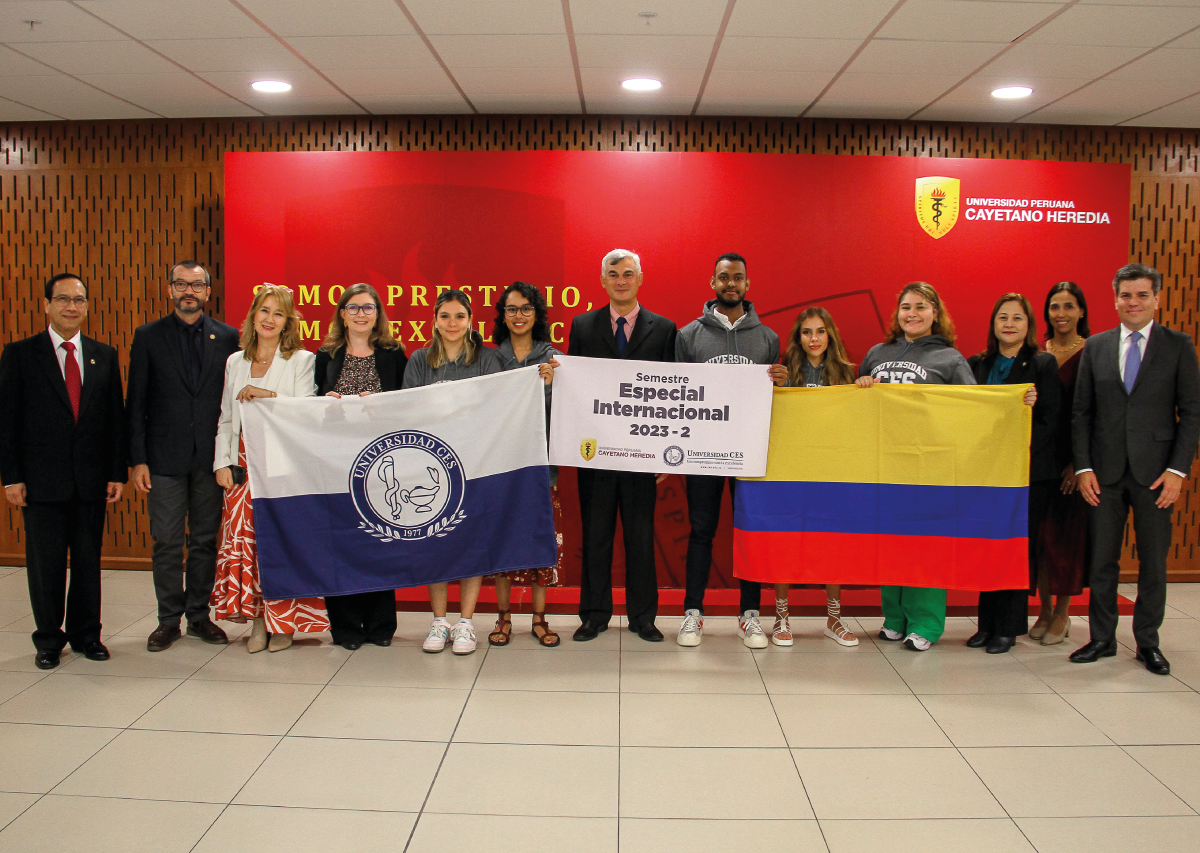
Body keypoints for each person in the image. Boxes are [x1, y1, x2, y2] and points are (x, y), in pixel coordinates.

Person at [1070, 263, 1200, 675]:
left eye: (1142, 295)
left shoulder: (1178, 345)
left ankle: (1148, 643)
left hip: (1157, 475)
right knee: (1102, 561)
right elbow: (1081, 414)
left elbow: (1192, 413)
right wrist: (1084, 467)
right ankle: (1102, 638)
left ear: (1157, 299)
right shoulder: (1096, 347)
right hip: (1102, 475)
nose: (1134, 302)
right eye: (1126, 295)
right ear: (1115, 299)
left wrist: (1178, 472)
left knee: (1153, 563)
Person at [0, 273, 126, 670]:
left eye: (80, 300)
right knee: (46, 564)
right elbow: (7, 421)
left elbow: (113, 421)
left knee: (88, 562)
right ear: (46, 305)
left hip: (91, 481)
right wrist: (11, 476)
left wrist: (116, 472)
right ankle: (49, 640)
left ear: (87, 306)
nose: (72, 306)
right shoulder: (20, 354)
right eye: (64, 299)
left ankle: (88, 635)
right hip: (40, 481)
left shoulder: (103, 355)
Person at [126, 261, 240, 652]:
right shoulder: (147, 336)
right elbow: (135, 402)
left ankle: (198, 617)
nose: (187, 291)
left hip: (211, 459)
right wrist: (138, 459)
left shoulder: (228, 338)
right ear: (170, 289)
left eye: (196, 285)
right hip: (163, 458)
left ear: (209, 292)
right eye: (180, 284)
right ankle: (167, 621)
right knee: (168, 542)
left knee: (206, 540)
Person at [856, 282, 975, 651]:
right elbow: (855, 407)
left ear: (935, 313)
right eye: (906, 307)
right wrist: (860, 385)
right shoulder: (877, 353)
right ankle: (894, 618)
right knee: (891, 543)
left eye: (921, 307)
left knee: (924, 546)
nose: (912, 313)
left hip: (929, 468)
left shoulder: (951, 359)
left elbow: (972, 408)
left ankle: (925, 623)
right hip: (885, 464)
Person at [568, 249, 677, 643]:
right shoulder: (582, 326)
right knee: (595, 538)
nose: (620, 280)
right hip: (595, 454)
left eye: (628, 273)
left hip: (642, 455)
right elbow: (573, 390)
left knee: (640, 537)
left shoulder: (665, 330)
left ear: (640, 278)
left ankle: (643, 618)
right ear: (602, 280)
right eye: (613, 274)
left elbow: (671, 397)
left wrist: (666, 451)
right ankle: (594, 616)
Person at [211, 284, 327, 653]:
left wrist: (269, 395)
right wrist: (223, 462)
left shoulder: (301, 360)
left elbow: (306, 411)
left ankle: (285, 624)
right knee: (250, 546)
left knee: (282, 544)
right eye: (264, 311)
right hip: (243, 466)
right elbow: (227, 418)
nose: (269, 319)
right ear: (253, 315)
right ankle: (259, 621)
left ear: (288, 321)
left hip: (283, 467)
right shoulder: (235, 361)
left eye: (278, 313)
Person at [674, 253, 779, 648]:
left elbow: (775, 401)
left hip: (751, 452)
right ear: (712, 282)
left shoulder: (767, 338)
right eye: (723, 277)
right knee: (701, 531)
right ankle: (692, 613)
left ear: (747, 284)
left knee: (748, 530)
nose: (730, 283)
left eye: (737, 278)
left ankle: (750, 613)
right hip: (702, 451)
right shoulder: (688, 336)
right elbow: (676, 398)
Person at [403, 288, 500, 655]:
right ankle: (439, 621)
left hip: (475, 464)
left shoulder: (486, 360)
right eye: (445, 316)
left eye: (460, 316)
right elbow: (408, 410)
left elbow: (496, 408)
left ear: (470, 321)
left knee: (472, 541)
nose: (453, 323)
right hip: (431, 467)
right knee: (437, 541)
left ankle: (465, 623)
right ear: (435, 321)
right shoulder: (418, 360)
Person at [315, 284, 408, 650]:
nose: (360, 314)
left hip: (381, 462)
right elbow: (308, 404)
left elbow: (406, 404)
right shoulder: (325, 354)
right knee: (341, 541)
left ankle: (381, 624)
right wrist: (326, 403)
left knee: (380, 539)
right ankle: (346, 627)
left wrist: (381, 404)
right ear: (342, 313)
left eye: (368, 308)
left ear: (378, 313)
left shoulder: (393, 353)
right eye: (353, 308)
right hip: (335, 459)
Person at [966, 294, 1060, 654]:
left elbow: (1051, 420)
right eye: (1002, 317)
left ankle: (1008, 627)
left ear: (1028, 325)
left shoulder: (1043, 364)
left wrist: (1028, 414)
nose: (1009, 324)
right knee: (988, 548)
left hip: (1028, 475)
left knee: (1014, 551)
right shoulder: (978, 363)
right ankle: (986, 624)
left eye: (1017, 318)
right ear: (993, 323)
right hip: (986, 474)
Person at [764, 306, 860, 647]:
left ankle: (833, 617)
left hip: (832, 472)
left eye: (820, 331)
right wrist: (774, 387)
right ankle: (781, 617)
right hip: (789, 470)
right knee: (785, 540)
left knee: (832, 542)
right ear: (797, 337)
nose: (814, 338)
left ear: (830, 334)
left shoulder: (847, 373)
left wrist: (865, 389)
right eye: (807, 332)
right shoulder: (784, 372)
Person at [485, 282, 563, 648]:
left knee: (539, 538)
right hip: (499, 465)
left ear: (538, 314)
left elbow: (568, 413)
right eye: (512, 309)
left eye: (526, 309)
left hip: (541, 466)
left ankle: (539, 617)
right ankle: (503, 617)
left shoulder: (554, 359)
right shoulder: (489, 359)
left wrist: (556, 386)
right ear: (502, 315)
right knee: (501, 541)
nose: (519, 316)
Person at [1033, 282, 1091, 644]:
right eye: (1055, 307)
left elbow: (1095, 414)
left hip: (1075, 464)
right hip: (1040, 460)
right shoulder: (1038, 354)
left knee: (1068, 541)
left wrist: (1079, 464)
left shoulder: (1094, 352)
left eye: (1069, 306)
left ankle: (1063, 614)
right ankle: (1042, 610)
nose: (1062, 314)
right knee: (1040, 540)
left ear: (1081, 311)